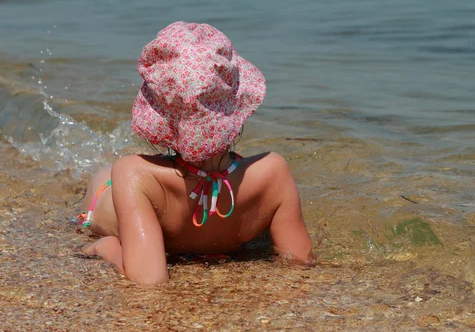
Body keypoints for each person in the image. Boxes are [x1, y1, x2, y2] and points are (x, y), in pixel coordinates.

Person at [76, 22, 314, 285]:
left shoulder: (135, 174)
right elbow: (299, 264)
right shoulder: (273, 172)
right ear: (236, 108)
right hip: (112, 199)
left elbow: (149, 281)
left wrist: (110, 247)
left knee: (104, 174)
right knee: (106, 175)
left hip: (115, 195)